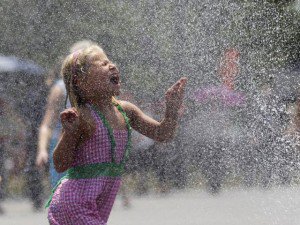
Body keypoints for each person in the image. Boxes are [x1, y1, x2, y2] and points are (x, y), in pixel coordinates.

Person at [46, 44, 187, 224]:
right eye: (102, 64)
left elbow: (162, 134)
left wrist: (171, 111)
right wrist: (70, 133)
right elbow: (59, 164)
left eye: (110, 61)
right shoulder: (83, 116)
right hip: (73, 205)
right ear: (80, 81)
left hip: (95, 208)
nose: (111, 65)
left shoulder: (126, 111)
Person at [36, 40, 97, 187]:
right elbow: (47, 125)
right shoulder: (60, 89)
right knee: (61, 193)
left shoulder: (98, 88)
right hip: (62, 146)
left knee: (88, 198)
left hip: (90, 147)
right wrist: (42, 150)